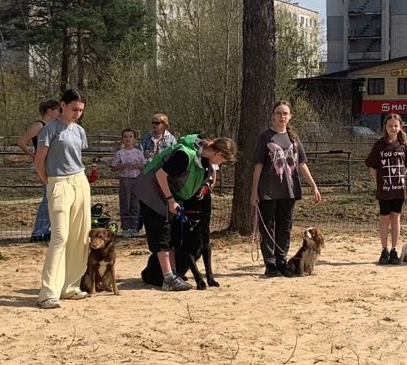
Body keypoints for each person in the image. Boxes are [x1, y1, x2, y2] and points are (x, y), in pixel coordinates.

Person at [136, 134, 236, 290]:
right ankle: (168, 279)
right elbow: (160, 175)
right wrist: (170, 200)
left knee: (174, 233)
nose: (220, 164)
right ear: (217, 154)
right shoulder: (185, 154)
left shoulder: (204, 159)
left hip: (168, 193)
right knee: (162, 231)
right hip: (151, 191)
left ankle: (174, 273)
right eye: (222, 161)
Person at [33, 89, 92, 309]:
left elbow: (77, 157)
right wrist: (50, 182)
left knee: (79, 236)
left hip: (80, 181)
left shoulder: (79, 131)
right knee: (60, 237)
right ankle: (48, 292)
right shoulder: (49, 130)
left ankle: (69, 286)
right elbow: (39, 162)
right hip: (58, 183)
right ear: (63, 105)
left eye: (81, 110)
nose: (77, 113)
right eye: (74, 109)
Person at [252, 100, 322, 277]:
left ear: (290, 116)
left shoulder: (294, 139)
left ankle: (281, 261)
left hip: (289, 190)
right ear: (273, 116)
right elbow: (259, 165)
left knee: (285, 227)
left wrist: (313, 186)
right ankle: (270, 264)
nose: (281, 117)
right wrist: (254, 191)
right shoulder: (265, 137)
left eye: (285, 113)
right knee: (268, 227)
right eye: (278, 113)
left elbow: (301, 164)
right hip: (268, 190)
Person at [365, 113, 407, 265]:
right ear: (385, 127)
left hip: (399, 189)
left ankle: (394, 249)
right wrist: (380, 182)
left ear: (400, 127)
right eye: (390, 125)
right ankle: (384, 250)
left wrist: (398, 180)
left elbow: (405, 166)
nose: (393, 128)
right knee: (384, 218)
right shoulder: (379, 145)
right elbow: (372, 168)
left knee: (396, 217)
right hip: (384, 190)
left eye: (396, 126)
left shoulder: (403, 145)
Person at [18, 100, 61, 242]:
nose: (59, 113)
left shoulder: (53, 126)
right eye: (57, 110)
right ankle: (39, 230)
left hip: (54, 163)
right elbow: (22, 142)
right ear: (50, 111)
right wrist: (34, 156)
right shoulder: (39, 125)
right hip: (44, 164)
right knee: (48, 197)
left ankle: (47, 228)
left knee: (53, 197)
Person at [107, 128, 146, 238]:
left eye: (130, 136)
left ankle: (134, 227)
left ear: (134, 139)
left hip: (136, 179)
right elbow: (113, 167)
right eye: (125, 136)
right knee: (125, 202)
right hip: (125, 179)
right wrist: (123, 166)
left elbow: (144, 167)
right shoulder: (120, 153)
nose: (128, 139)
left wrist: (138, 166)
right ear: (122, 139)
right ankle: (125, 227)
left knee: (135, 203)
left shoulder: (138, 153)